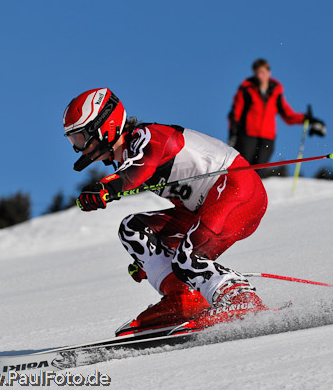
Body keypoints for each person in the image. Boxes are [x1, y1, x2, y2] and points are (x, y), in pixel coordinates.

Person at [64, 88, 269, 334]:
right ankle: (185, 299)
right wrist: (154, 260)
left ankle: (240, 298)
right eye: (72, 140)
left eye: (80, 138)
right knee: (134, 229)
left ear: (104, 126)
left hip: (237, 190)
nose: (78, 148)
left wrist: (106, 188)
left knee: (188, 257)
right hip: (204, 207)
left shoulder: (148, 137)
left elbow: (140, 168)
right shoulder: (126, 155)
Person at [228, 58, 326, 165]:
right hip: (247, 136)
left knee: (258, 171)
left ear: (269, 72)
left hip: (267, 138)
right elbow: (235, 114)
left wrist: (307, 119)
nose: (260, 76)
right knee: (243, 168)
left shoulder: (275, 93)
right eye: (257, 73)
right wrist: (233, 133)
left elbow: (288, 115)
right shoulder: (246, 90)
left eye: (263, 72)